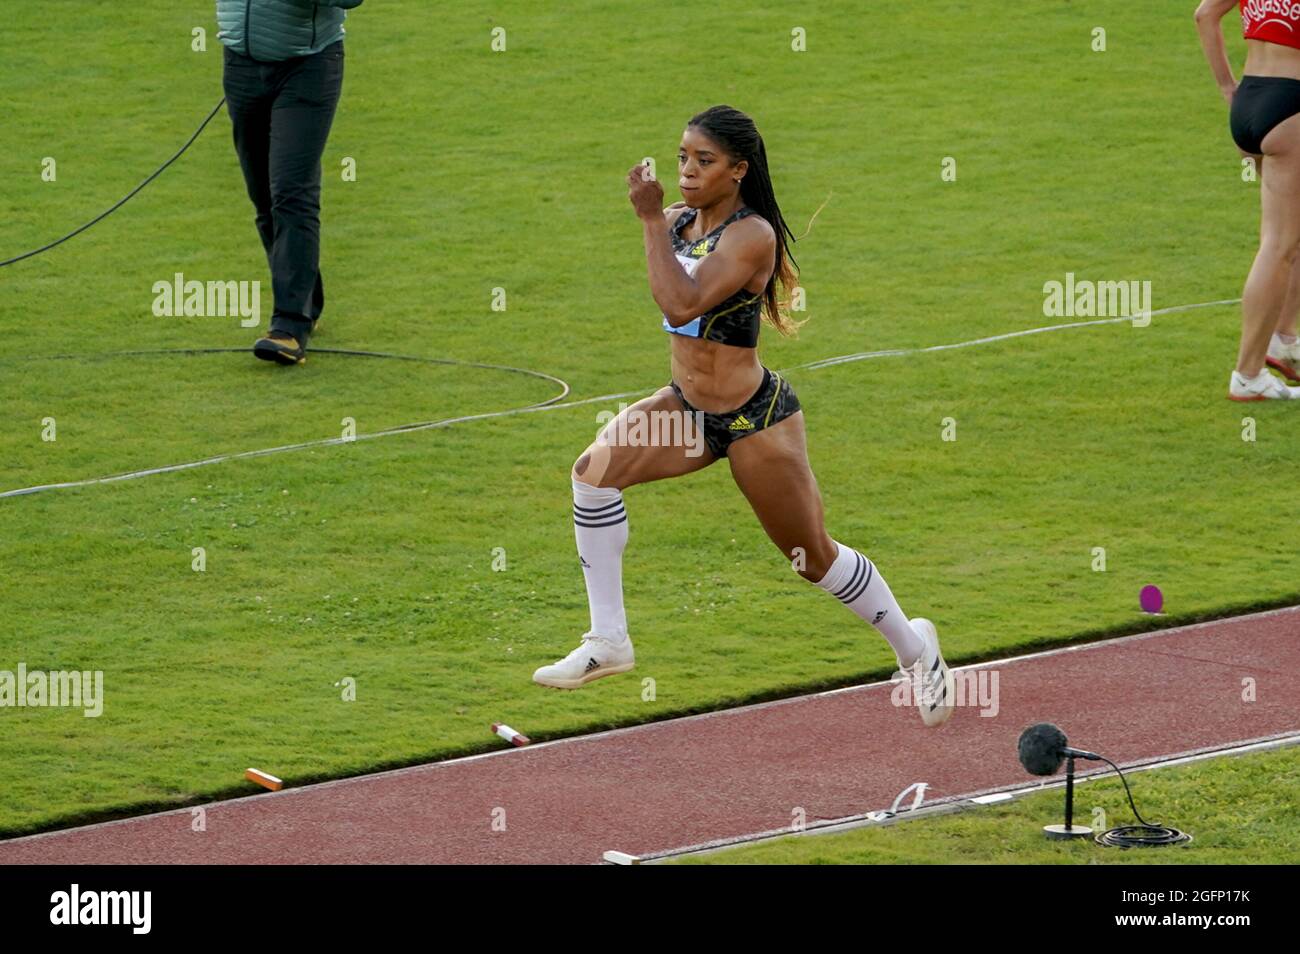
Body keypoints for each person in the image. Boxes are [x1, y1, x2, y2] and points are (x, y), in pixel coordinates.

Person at [532, 105, 956, 728]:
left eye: (704, 162)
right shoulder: (678, 222)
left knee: (811, 557)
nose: (688, 171)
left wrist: (649, 219)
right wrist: (660, 221)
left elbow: (680, 304)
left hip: (755, 420)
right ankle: (608, 641)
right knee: (593, 472)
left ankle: (917, 652)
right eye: (682, 157)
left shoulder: (749, 235)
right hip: (686, 408)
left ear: (738, 171)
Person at [217, 0, 363, 366]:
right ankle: (306, 299)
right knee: (263, 195)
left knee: (290, 192)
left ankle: (289, 326)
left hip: (308, 67)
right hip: (240, 64)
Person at [1196, 0, 1300, 398]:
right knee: (1278, 245)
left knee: (1290, 235)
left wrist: (1226, 87)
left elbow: (1204, 15)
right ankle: (1248, 375)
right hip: (1291, 107)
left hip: (1250, 100)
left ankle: (1284, 340)